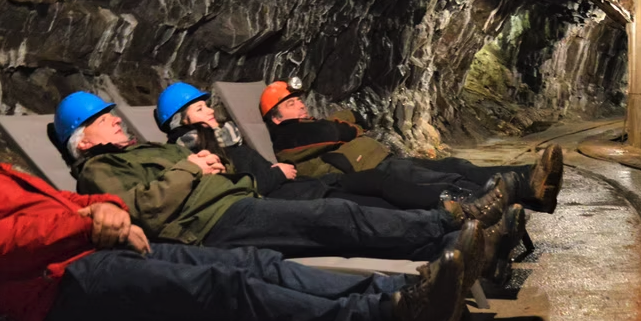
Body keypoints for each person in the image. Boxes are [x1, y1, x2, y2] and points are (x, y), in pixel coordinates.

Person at [0, 95, 468, 321]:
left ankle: (398, 295)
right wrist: (92, 224)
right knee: (223, 290)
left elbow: (59, 204)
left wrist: (102, 222)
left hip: (99, 253)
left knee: (253, 265)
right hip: (55, 288)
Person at [51, 92, 527, 289]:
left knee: (347, 216)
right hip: (213, 225)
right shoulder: (97, 172)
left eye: (111, 114)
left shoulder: (145, 151)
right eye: (100, 119)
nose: (114, 119)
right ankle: (456, 224)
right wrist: (193, 169)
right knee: (338, 218)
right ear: (83, 139)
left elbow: (222, 174)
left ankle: (464, 239)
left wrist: (211, 169)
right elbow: (138, 210)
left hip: (237, 203)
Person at [154, 81, 504, 213]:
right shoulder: (199, 153)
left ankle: (471, 201)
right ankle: (461, 209)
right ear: (182, 121)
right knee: (372, 202)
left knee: (388, 186)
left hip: (308, 184)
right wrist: (276, 173)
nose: (212, 111)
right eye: (201, 109)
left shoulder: (227, 139)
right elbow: (246, 185)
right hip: (291, 194)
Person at [260, 78, 566, 213]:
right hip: (370, 167)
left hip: (379, 160)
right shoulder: (289, 135)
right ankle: (523, 190)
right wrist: (343, 127)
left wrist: (345, 126)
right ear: (275, 118)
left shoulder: (304, 127)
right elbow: (340, 128)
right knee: (447, 179)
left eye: (299, 100)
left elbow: (354, 121)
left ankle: (530, 180)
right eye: (290, 104)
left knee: (454, 167)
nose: (300, 105)